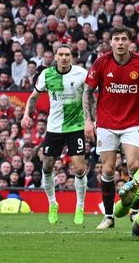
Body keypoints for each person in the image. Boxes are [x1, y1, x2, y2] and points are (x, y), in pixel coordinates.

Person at [82, 26, 139, 229]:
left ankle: (135, 210)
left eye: (123, 39)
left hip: (131, 123)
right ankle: (109, 217)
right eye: (116, 39)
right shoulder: (101, 62)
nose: (120, 42)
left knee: (135, 166)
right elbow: (87, 92)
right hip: (106, 125)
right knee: (108, 170)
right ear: (111, 43)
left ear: (130, 42)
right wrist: (88, 120)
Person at [23, 44, 88, 225]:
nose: (65, 57)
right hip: (54, 128)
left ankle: (80, 206)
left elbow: (92, 95)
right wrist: (26, 114)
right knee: (47, 167)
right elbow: (34, 97)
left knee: (79, 168)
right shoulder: (47, 74)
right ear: (55, 57)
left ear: (71, 57)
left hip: (76, 126)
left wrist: (92, 120)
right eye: (61, 54)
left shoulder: (81, 73)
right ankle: (52, 204)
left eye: (68, 54)